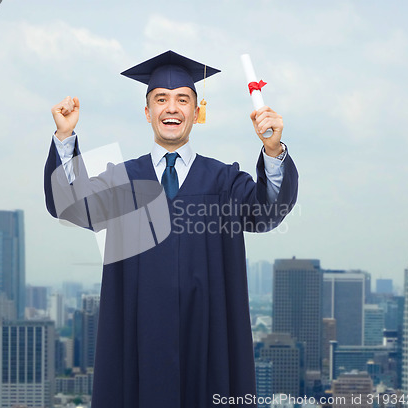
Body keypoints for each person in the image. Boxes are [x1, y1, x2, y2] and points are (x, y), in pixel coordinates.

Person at [44, 50, 298, 408]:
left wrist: (273, 150)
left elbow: (269, 210)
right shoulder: (123, 181)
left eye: (183, 99)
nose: (172, 108)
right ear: (148, 113)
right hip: (139, 341)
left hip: (208, 341)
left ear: (197, 111)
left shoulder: (224, 181)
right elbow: (71, 205)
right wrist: (65, 138)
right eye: (160, 99)